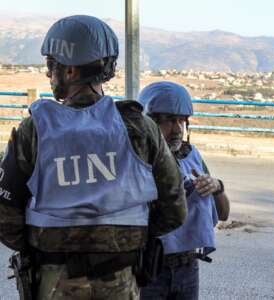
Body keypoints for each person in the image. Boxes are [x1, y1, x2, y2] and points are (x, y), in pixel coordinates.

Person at [0, 15, 186, 300]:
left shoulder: (35, 129)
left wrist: (45, 248)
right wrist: (122, 240)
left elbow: (6, 216)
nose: (49, 75)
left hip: (53, 284)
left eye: (52, 66)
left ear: (71, 71)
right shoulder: (139, 127)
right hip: (121, 283)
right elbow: (174, 209)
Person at [137, 81, 230, 300]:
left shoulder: (191, 156)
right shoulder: (138, 159)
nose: (177, 129)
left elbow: (223, 214)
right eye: (169, 120)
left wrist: (217, 187)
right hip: (150, 267)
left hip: (187, 267)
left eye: (181, 120)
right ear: (150, 122)